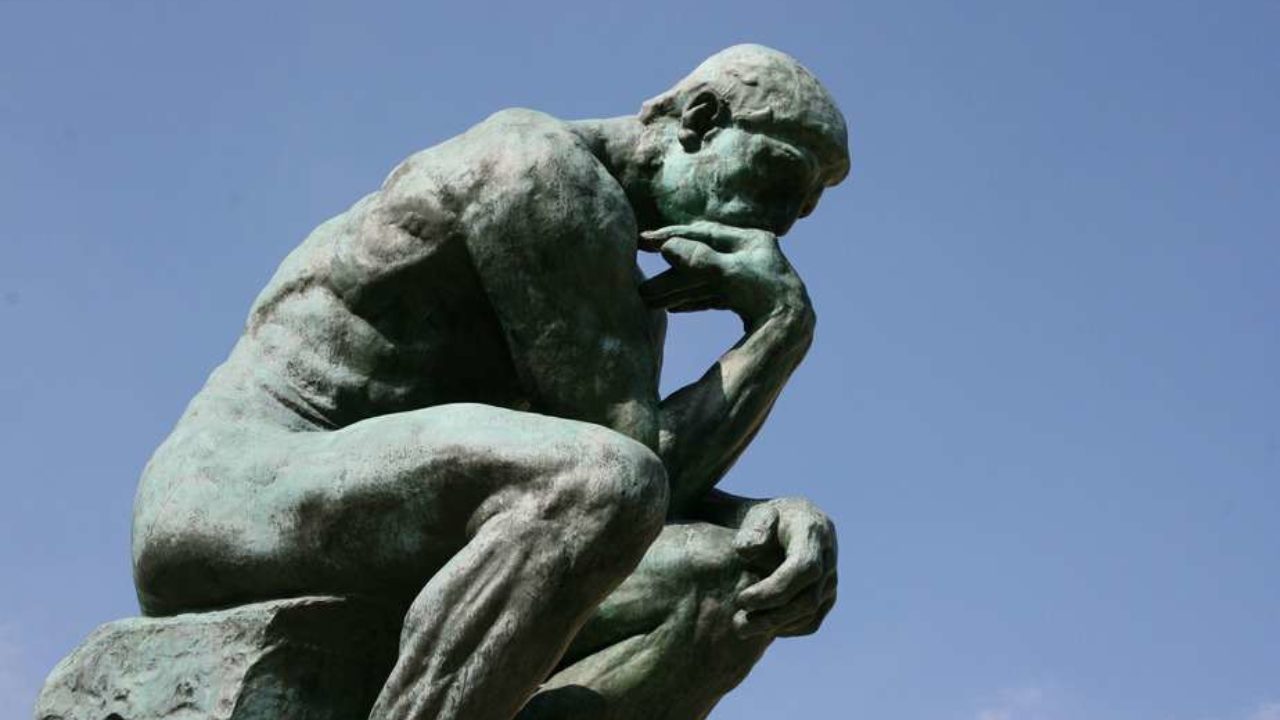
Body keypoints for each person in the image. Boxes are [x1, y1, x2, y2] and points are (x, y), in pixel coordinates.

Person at [131, 44, 850, 720]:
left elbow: (645, 485)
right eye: (777, 179)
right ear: (701, 120)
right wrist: (781, 329)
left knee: (743, 578)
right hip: (235, 489)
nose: (778, 226)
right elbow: (626, 470)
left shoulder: (621, 295)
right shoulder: (537, 168)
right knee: (606, 481)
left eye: (802, 209)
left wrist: (757, 518)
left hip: (396, 516)